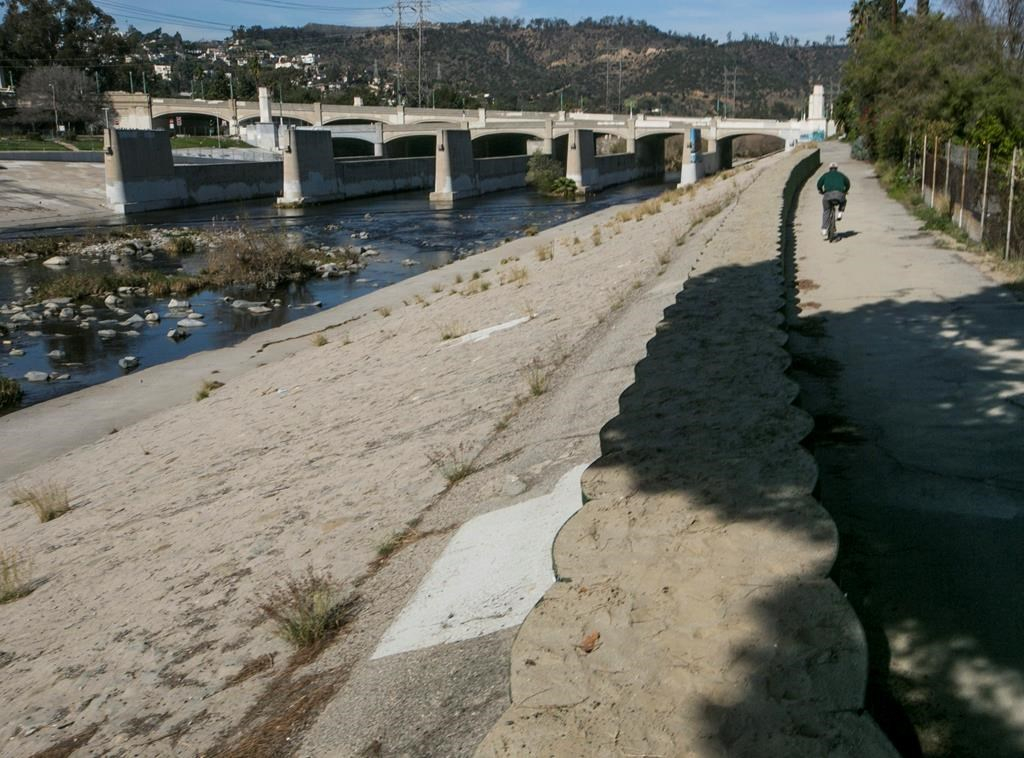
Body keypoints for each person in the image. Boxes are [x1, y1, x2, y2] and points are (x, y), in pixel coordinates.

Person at [817, 162, 851, 237]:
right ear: (836, 168)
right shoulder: (841, 175)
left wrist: (821, 190)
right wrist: (845, 191)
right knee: (844, 201)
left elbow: (819, 184)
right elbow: (848, 183)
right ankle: (840, 213)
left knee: (826, 211)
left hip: (827, 195)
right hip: (839, 194)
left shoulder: (826, 175)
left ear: (829, 169)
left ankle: (824, 230)